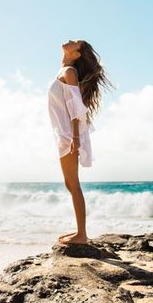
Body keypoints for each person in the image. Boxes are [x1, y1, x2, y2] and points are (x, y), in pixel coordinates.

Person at [47, 39, 113, 245]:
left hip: (69, 135)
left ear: (76, 54)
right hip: (63, 134)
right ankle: (80, 231)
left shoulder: (70, 72)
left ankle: (81, 235)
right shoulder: (64, 71)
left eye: (75, 43)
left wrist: (75, 138)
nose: (70, 40)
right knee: (70, 183)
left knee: (74, 184)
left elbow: (76, 108)